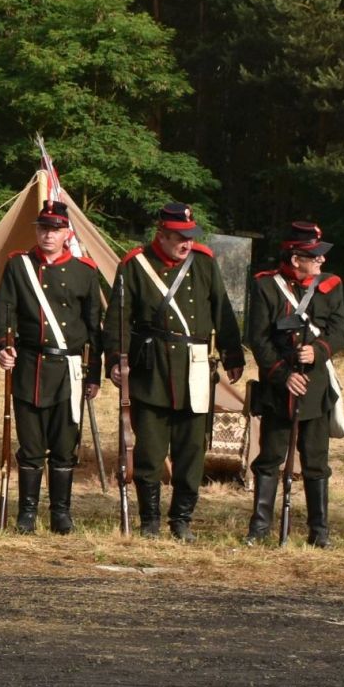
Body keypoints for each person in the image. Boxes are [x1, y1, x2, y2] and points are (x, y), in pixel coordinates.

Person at [106, 203, 244, 541]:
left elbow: (222, 309)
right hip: (151, 369)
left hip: (194, 368)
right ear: (161, 235)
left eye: (189, 237)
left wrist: (232, 354)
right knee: (150, 452)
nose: (186, 243)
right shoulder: (135, 264)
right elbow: (118, 318)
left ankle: (181, 520)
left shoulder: (204, 262)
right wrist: (116, 360)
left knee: (192, 451)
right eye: (179, 237)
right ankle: (150, 520)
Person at [0, 200, 110, 534]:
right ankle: (27, 513)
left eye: (55, 229)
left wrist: (94, 374)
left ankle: (61, 513)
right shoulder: (19, 266)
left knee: (63, 447)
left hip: (70, 369)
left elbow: (93, 328)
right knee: (30, 447)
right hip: (31, 365)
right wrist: (3, 346)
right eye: (43, 228)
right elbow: (4, 312)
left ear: (67, 233)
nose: (48, 235)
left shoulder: (85, 271)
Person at [243, 221, 344, 546]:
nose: (321, 260)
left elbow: (340, 331)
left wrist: (318, 351)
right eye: (314, 256)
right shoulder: (266, 286)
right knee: (269, 459)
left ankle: (320, 532)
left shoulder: (331, 285)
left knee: (316, 461)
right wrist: (283, 375)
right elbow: (259, 339)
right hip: (279, 387)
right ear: (295, 258)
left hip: (315, 387)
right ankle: (260, 528)